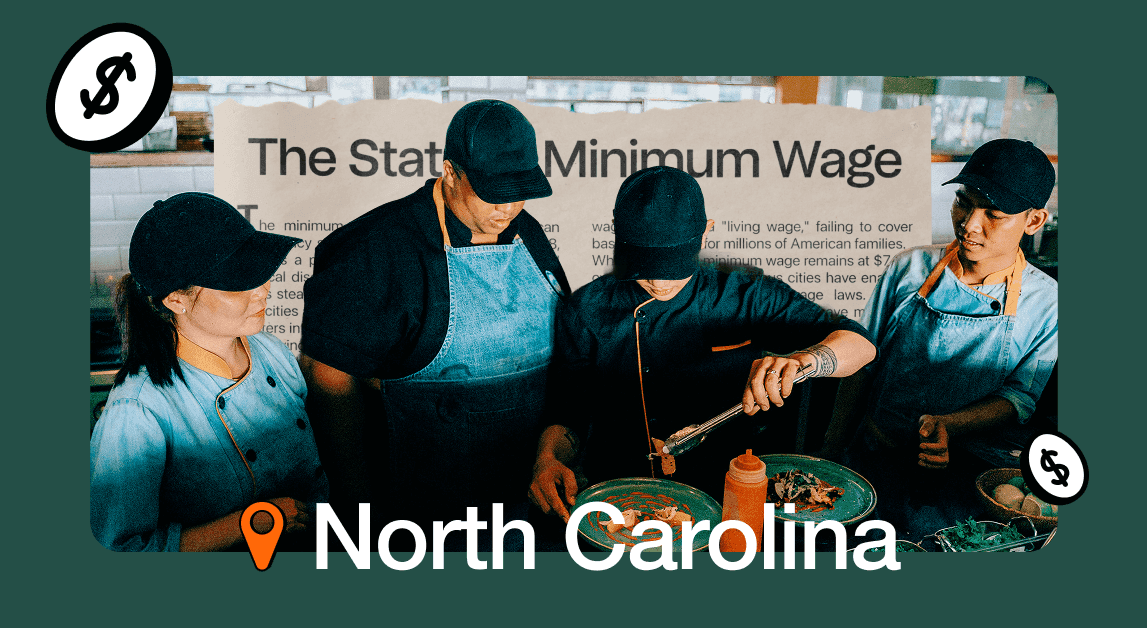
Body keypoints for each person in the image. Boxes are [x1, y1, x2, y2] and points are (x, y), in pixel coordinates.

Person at [529, 166, 877, 521]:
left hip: (730, 492)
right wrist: (547, 459)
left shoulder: (746, 295)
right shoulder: (586, 309)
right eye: (645, 265)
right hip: (625, 496)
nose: (659, 282)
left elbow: (861, 344)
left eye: (673, 265)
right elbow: (567, 412)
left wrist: (803, 362)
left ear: (705, 233)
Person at [299, 100, 569, 549]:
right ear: (449, 172)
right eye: (492, 192)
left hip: (525, 489)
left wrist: (554, 450)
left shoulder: (527, 233)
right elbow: (329, 382)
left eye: (519, 190)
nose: (508, 207)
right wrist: (360, 516)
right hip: (421, 508)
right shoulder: (375, 252)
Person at [821, 139, 1058, 541]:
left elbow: (1020, 397)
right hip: (876, 455)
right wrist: (830, 450)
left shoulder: (1047, 302)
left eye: (994, 215)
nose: (969, 224)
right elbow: (862, 362)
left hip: (966, 475)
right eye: (964, 202)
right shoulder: (909, 269)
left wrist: (951, 425)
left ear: (1034, 221)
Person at [90, 192, 328, 552]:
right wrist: (246, 524)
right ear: (177, 300)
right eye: (238, 282)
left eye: (259, 274)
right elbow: (119, 552)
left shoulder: (271, 351)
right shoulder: (137, 412)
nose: (263, 291)